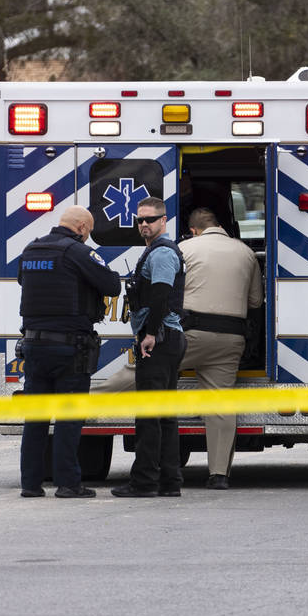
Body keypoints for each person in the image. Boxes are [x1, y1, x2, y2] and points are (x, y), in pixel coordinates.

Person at [17, 206, 121, 498]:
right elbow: (112, 285)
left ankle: (30, 484)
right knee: (68, 418)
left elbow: (23, 282)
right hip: (69, 347)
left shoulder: (31, 250)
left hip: (34, 346)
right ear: (83, 227)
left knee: (35, 419)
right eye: (88, 231)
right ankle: (67, 483)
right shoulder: (77, 252)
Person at [178, 207, 264, 489]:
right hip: (231, 338)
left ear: (193, 230)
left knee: (142, 369)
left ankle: (92, 397)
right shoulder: (245, 252)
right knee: (221, 403)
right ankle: (219, 475)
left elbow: (173, 292)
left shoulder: (184, 249)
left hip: (191, 335)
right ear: (219, 225)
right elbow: (254, 303)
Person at [111, 196, 187, 498]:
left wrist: (151, 334)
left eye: (150, 219)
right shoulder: (156, 251)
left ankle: (144, 482)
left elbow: (160, 295)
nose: (144, 224)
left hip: (161, 339)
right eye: (140, 220)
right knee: (164, 416)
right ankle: (169, 482)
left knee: (149, 416)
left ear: (163, 220)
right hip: (167, 338)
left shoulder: (162, 254)